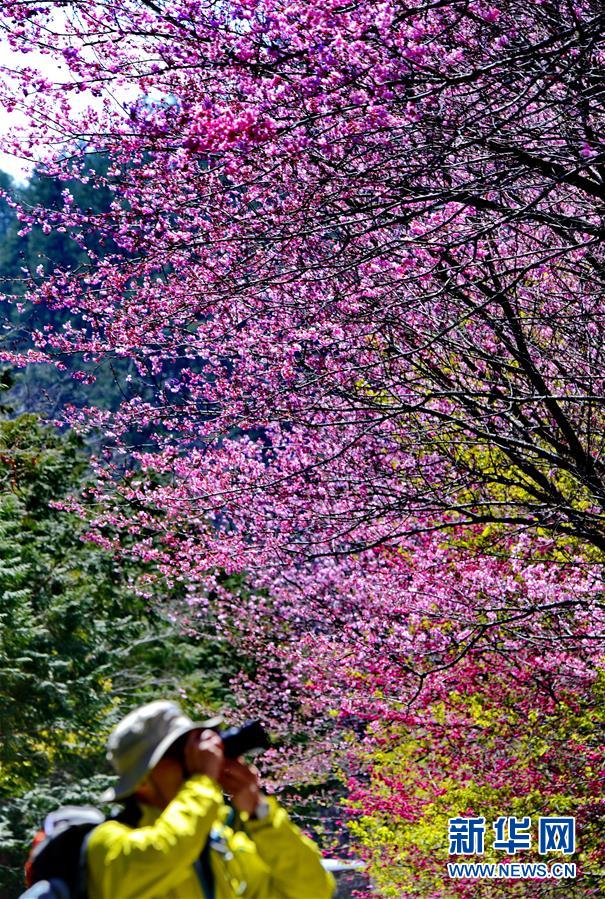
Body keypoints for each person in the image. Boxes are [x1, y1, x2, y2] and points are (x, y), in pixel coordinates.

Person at [86, 700, 336, 899]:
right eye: (180, 752)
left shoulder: (220, 845)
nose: (193, 761)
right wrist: (203, 780)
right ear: (142, 779)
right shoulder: (108, 844)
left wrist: (259, 813)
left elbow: (313, 891)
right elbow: (168, 850)